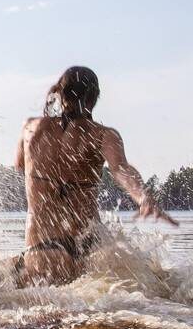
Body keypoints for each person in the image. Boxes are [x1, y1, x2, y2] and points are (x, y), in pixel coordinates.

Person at [13, 66, 176, 286]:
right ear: (94, 97)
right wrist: (142, 197)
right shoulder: (103, 134)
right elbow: (120, 169)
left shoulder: (30, 128)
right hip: (90, 247)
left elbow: (19, 165)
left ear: (59, 93)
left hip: (42, 249)